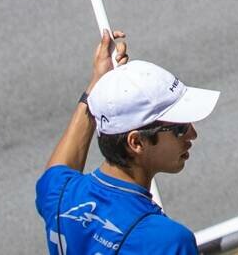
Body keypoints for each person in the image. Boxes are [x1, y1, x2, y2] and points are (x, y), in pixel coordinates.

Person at [35, 30, 220, 254]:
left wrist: (99, 83)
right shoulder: (167, 242)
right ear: (136, 142)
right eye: (179, 128)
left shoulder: (60, 195)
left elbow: (57, 169)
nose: (192, 134)